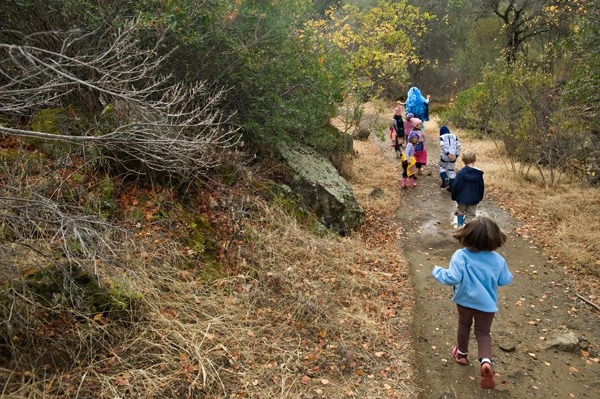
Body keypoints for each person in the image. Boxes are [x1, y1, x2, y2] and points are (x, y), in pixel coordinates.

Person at [431, 216, 513, 390]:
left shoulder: (461, 256)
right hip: (487, 305)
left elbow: (453, 278)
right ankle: (486, 361)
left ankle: (461, 354)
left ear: (467, 235)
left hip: (465, 302)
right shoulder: (498, 260)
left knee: (464, 325)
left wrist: (437, 271)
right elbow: (505, 280)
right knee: (483, 333)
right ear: (496, 238)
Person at [451, 151, 484, 222]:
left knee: (460, 211)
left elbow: (455, 186)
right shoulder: (478, 174)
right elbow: (481, 187)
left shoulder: (460, 173)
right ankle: (467, 229)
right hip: (473, 198)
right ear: (475, 160)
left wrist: (454, 196)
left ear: (463, 161)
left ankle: (460, 226)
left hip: (461, 198)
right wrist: (480, 197)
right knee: (471, 214)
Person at [438, 125, 461, 189]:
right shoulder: (454, 136)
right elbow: (458, 146)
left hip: (445, 155)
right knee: (451, 170)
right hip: (453, 155)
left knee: (442, 166)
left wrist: (447, 153)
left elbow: (442, 146)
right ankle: (452, 186)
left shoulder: (441, 137)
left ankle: (445, 179)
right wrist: (456, 155)